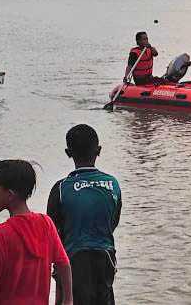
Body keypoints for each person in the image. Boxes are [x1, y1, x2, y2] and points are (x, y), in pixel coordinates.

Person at [0, 160, 73, 305]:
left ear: (10, 195)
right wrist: (68, 300)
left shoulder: (1, 233)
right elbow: (64, 264)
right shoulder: (46, 224)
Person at [47, 124, 122, 305]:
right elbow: (113, 221)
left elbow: (52, 233)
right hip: (105, 259)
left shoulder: (61, 188)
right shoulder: (112, 184)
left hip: (72, 261)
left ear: (68, 152)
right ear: (99, 151)